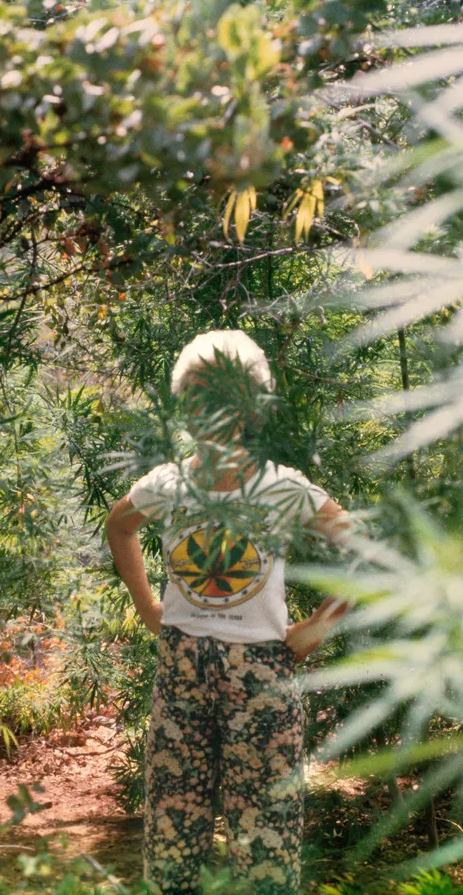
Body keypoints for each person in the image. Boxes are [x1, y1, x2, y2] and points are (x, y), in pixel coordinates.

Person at [106, 330, 352, 895]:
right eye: (199, 396)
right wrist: (147, 606)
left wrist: (319, 627)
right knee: (171, 842)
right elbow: (119, 526)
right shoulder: (168, 485)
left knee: (265, 848)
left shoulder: (280, 488)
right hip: (181, 670)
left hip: (261, 673)